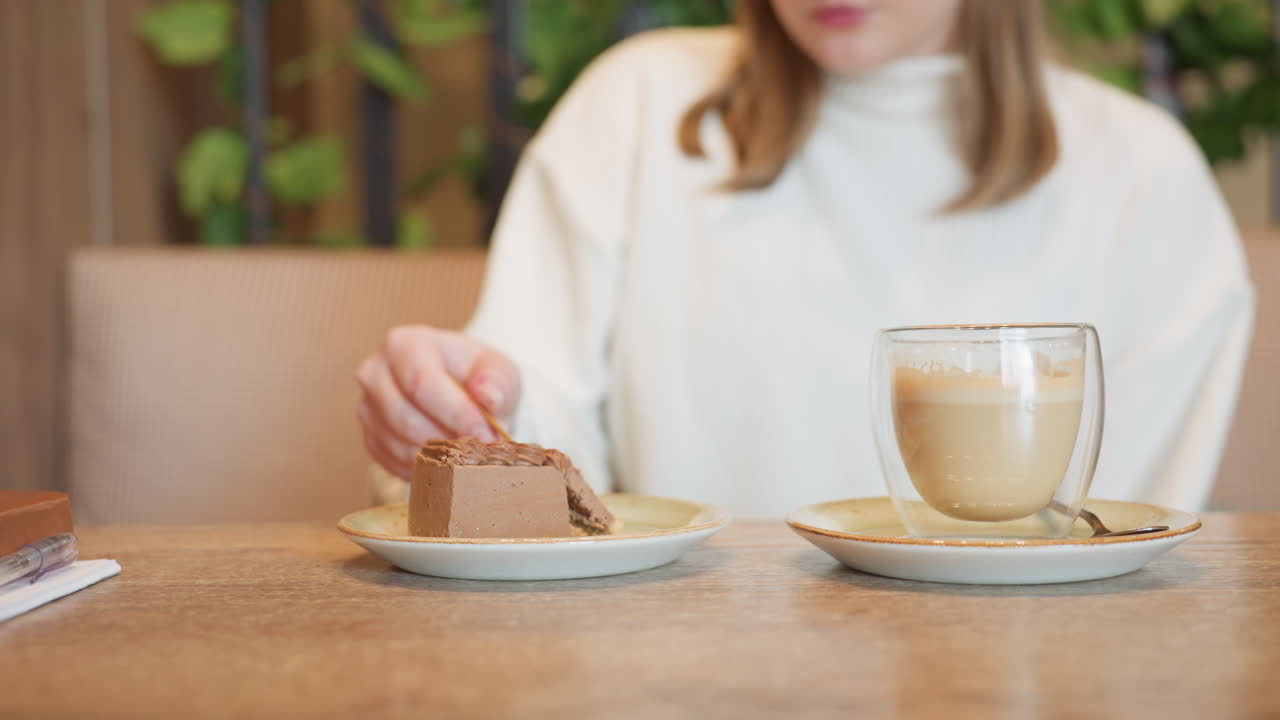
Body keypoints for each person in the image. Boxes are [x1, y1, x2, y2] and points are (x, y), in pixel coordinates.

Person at [356, 0, 1254, 518]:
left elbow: (1121, 565)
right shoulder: (633, 110)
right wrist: (448, 418)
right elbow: (526, 448)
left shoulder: (1142, 181)